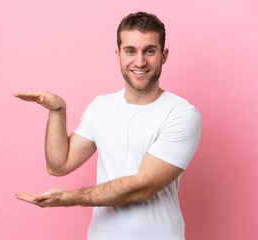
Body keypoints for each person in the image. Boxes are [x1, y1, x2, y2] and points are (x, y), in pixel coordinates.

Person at [14, 11, 201, 240]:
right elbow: (59, 165)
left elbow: (142, 188)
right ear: (118, 55)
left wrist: (67, 199)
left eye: (149, 51)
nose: (140, 61)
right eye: (130, 51)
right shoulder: (101, 107)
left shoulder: (180, 114)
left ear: (163, 56)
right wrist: (57, 112)